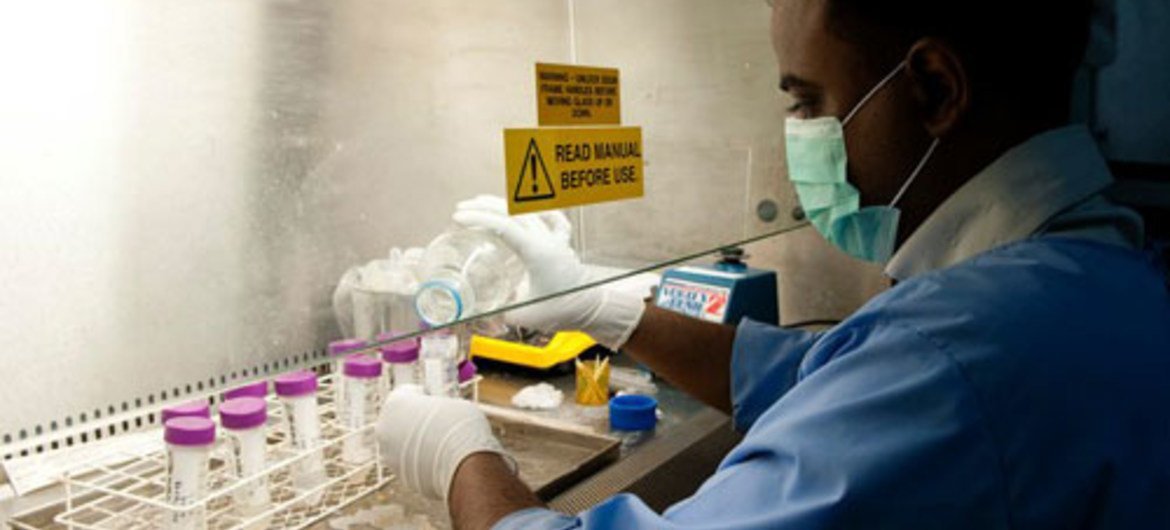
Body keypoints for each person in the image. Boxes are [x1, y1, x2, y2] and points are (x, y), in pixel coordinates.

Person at [376, 0, 1170, 528]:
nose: (802, 138)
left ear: (932, 88)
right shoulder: (1091, 267)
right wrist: (607, 309)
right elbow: (827, 375)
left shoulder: (965, 355)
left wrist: (460, 454)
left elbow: (900, 379)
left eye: (807, 102)